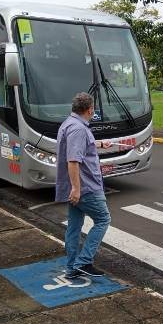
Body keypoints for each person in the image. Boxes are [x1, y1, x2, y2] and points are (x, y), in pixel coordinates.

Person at [56, 92, 112, 279]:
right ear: (90, 110)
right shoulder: (78, 129)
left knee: (74, 226)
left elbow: (79, 147)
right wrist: (76, 189)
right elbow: (73, 160)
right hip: (86, 187)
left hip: (78, 188)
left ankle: (72, 268)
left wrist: (97, 144)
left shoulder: (70, 124)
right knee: (103, 220)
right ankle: (84, 262)